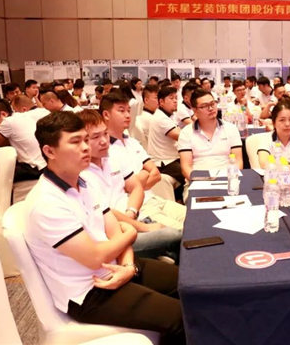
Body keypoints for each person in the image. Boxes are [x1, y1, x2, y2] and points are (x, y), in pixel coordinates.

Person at [24, 111, 184, 344]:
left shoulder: (84, 182)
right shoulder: (46, 202)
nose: (85, 147)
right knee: (182, 317)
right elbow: (95, 257)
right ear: (50, 151)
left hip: (119, 267)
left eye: (85, 139)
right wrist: (130, 233)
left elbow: (115, 231)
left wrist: (128, 266)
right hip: (91, 292)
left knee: (190, 286)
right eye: (75, 142)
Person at [78, 110, 181, 262]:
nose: (104, 141)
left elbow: (136, 187)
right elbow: (106, 213)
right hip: (117, 232)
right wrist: (142, 226)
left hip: (136, 217)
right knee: (178, 235)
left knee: (193, 225)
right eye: (95, 137)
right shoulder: (81, 174)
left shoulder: (113, 157)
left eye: (105, 134)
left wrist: (131, 212)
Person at [101, 92, 186, 229]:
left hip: (154, 199)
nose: (128, 115)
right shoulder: (103, 150)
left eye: (128, 110)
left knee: (199, 218)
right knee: (183, 231)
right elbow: (124, 188)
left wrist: (136, 184)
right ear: (106, 115)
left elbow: (155, 174)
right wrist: (142, 177)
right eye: (121, 111)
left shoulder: (132, 142)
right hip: (137, 210)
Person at [178, 89, 243, 182]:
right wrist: (198, 181)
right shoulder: (186, 132)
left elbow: (238, 161)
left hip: (227, 179)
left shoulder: (230, 128)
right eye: (204, 106)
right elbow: (186, 167)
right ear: (194, 110)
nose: (211, 108)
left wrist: (231, 179)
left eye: (213, 104)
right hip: (197, 180)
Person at [0, 98, 48, 182]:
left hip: (33, 168)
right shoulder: (22, 116)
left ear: (3, 114)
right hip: (44, 163)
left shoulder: (7, 122)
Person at [147, 87, 184, 185]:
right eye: (171, 98)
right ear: (161, 102)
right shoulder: (161, 118)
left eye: (176, 98)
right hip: (164, 163)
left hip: (171, 158)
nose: (175, 101)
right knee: (190, 173)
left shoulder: (168, 116)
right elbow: (180, 136)